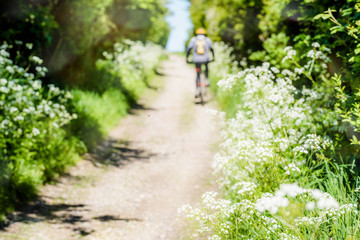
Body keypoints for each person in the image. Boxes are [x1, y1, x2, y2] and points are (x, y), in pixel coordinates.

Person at [186, 28, 215, 97]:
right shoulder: (207, 39)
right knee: (206, 68)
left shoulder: (193, 40)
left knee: (198, 74)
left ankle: (197, 89)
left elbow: (189, 49)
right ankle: (207, 80)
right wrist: (213, 57)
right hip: (205, 59)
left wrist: (187, 58)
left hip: (196, 60)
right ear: (204, 33)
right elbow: (212, 49)